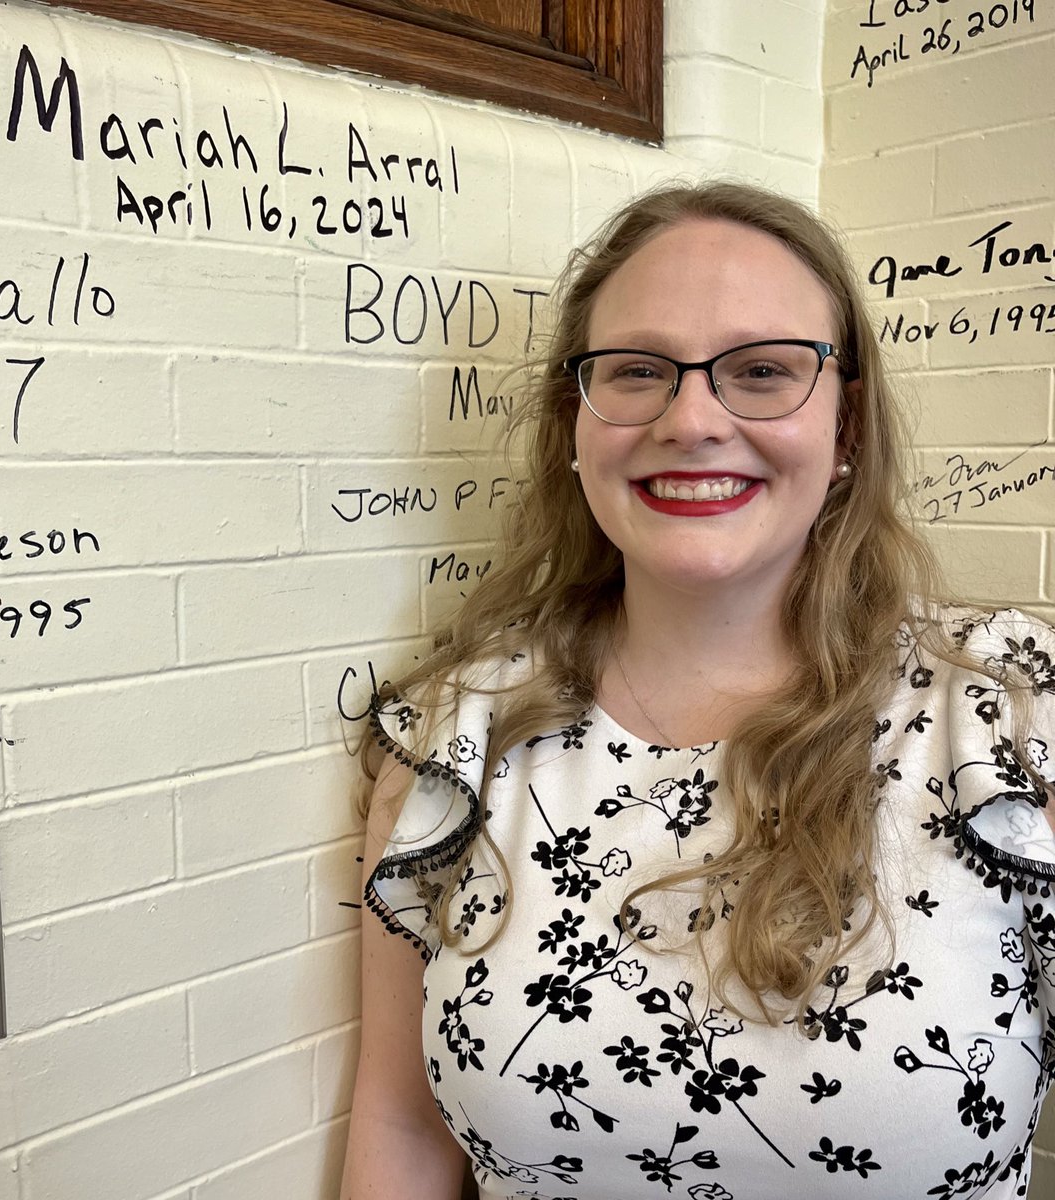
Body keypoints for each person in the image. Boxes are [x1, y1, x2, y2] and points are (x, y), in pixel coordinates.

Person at [339, 181, 1055, 1200]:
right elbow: (403, 1129)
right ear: (576, 423)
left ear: (846, 426)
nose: (693, 418)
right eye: (637, 371)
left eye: (762, 371)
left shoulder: (1007, 720)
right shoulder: (457, 739)